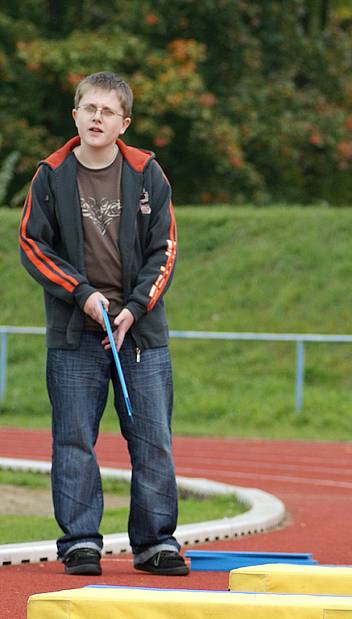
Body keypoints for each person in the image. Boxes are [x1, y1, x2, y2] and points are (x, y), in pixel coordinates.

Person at [19, 71, 188, 576]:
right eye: (89, 108)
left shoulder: (148, 174)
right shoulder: (50, 176)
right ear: (75, 115)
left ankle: (156, 542)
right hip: (76, 334)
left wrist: (134, 309)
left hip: (141, 335)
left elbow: (167, 249)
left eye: (108, 111)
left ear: (124, 123)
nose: (97, 118)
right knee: (73, 439)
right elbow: (33, 244)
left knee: (153, 437)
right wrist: (82, 294)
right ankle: (80, 542)